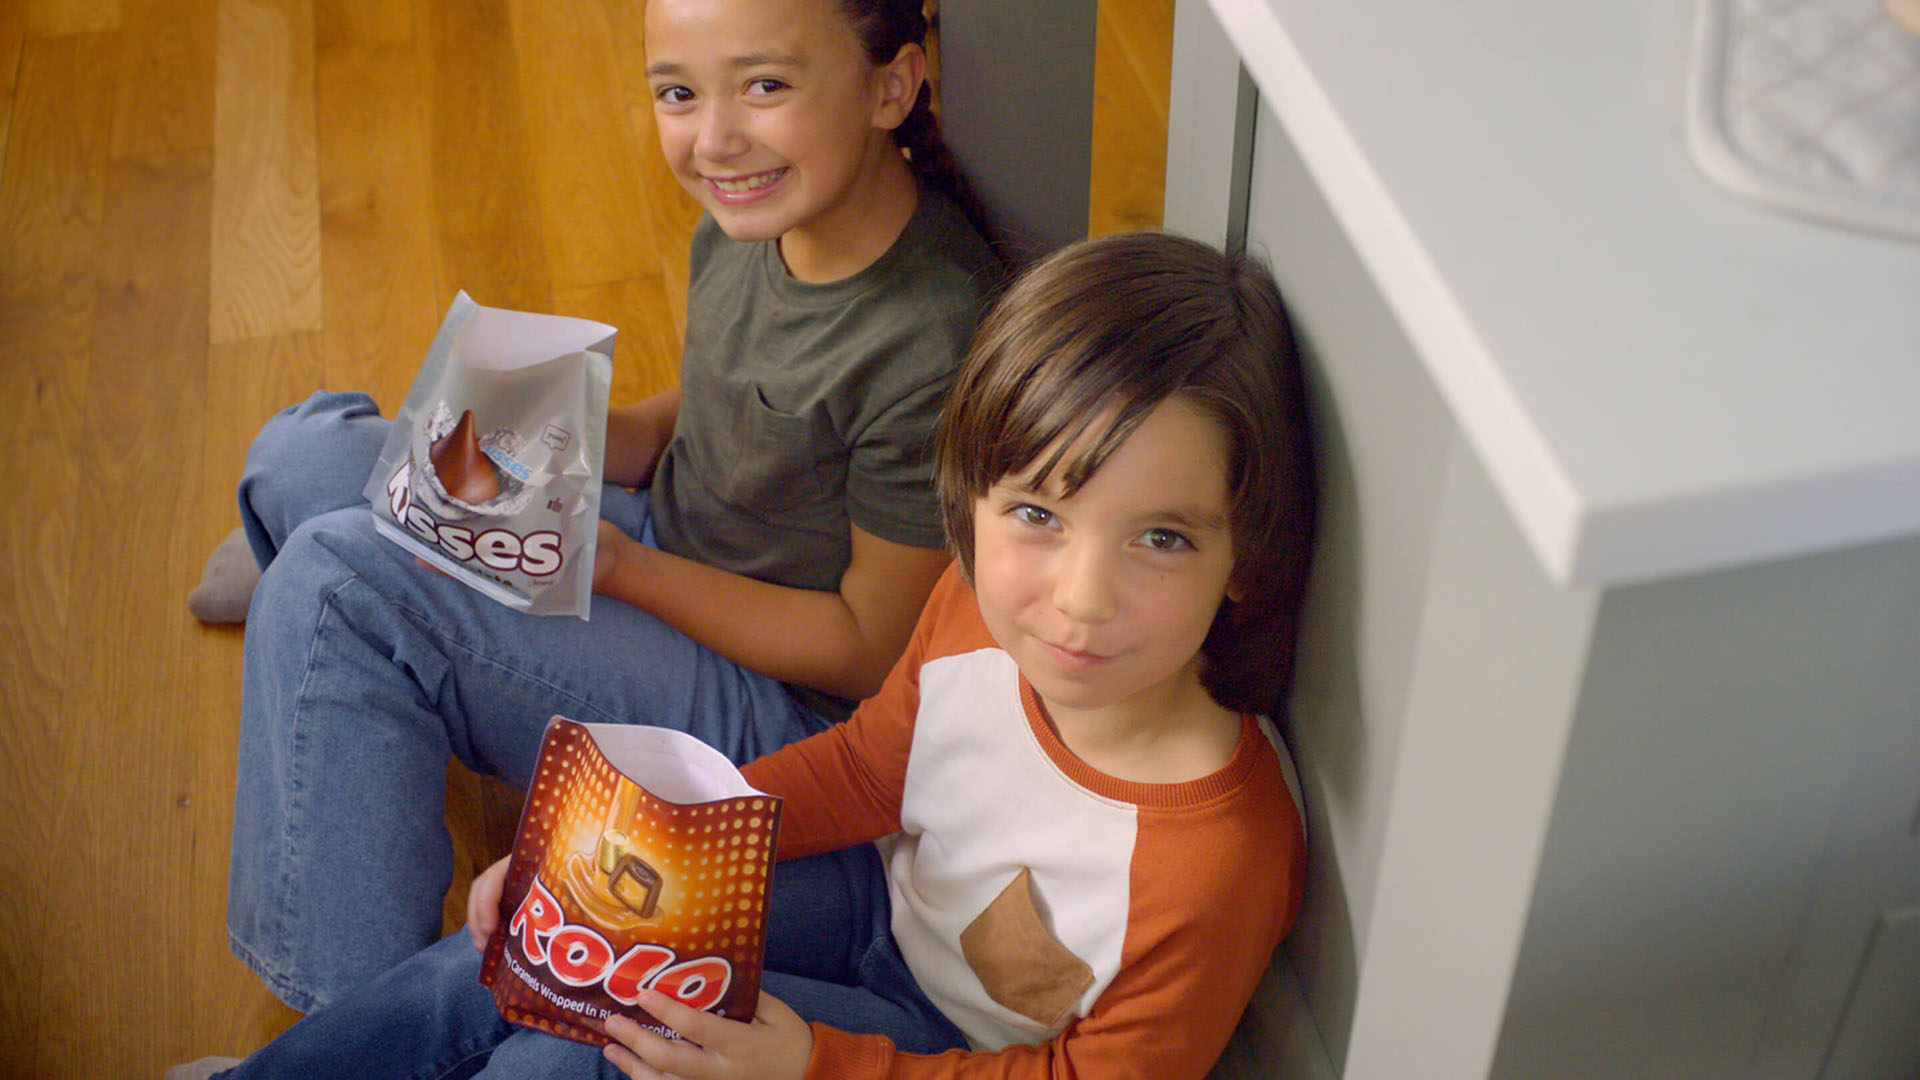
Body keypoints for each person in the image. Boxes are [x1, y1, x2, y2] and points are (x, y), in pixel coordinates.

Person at [166, 230, 1322, 1080]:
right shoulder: (975, 607)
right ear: (973, 505)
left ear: (1245, 555)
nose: (1079, 598)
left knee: (586, 1056)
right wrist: (616, 847)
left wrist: (815, 1064)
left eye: (1160, 539)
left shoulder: (1218, 855)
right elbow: (872, 768)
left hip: (936, 1050)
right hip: (873, 904)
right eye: (1037, 516)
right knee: (535, 937)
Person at [216, 0, 1002, 1017]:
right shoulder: (758, 217)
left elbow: (864, 650)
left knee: (338, 584)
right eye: (679, 92)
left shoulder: (932, 337)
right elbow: (735, 405)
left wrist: (616, 565)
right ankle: (329, 604)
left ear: (892, 85)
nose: (713, 137)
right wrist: (581, 433)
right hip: (673, 541)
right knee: (299, 453)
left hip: (782, 714)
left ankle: (356, 1030)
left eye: (765, 85)